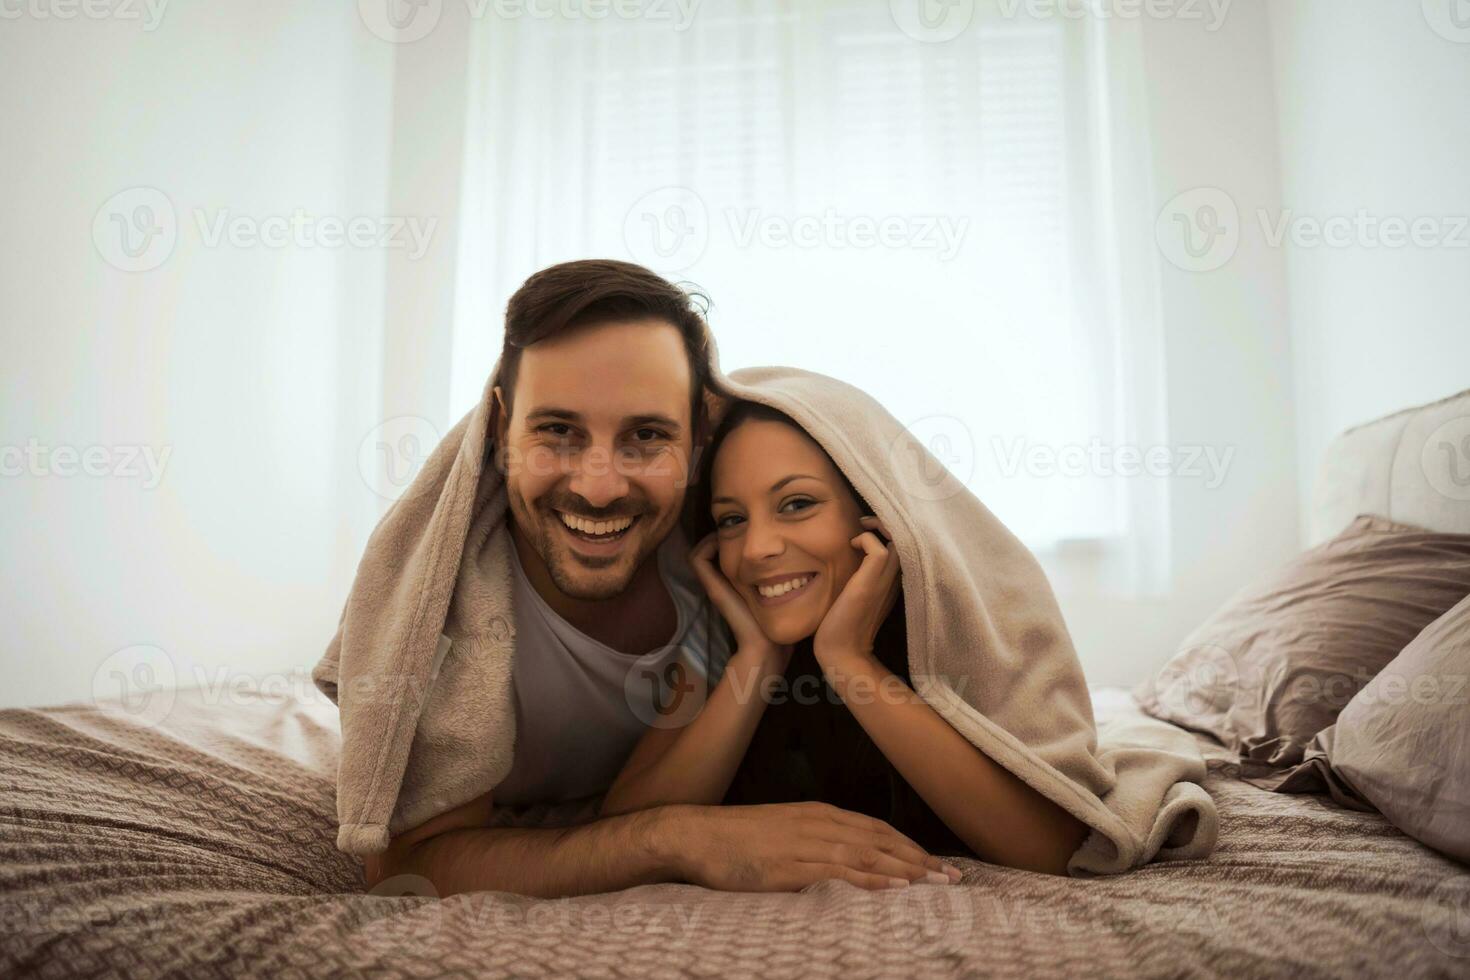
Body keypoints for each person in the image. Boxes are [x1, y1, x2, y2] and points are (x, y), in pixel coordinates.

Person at [362, 260, 960, 897]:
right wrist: (681, 838)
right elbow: (405, 866)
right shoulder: (448, 597)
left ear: (699, 434)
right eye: (557, 431)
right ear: (501, 426)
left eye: (645, 435)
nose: (598, 487)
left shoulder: (726, 556)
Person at [601, 400, 1092, 875]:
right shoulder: (722, 635)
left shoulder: (953, 618)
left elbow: (1050, 850)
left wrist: (848, 659)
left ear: (874, 513)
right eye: (732, 519)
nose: (756, 548)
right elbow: (622, 837)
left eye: (796, 504)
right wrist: (758, 658)